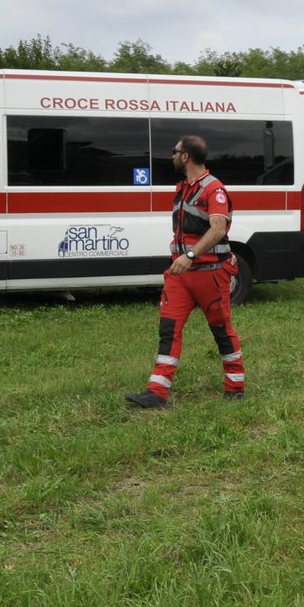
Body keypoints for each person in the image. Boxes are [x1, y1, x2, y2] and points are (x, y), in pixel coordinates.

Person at [127, 135, 245, 410]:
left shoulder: (213, 189)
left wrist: (191, 256)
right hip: (180, 275)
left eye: (174, 151)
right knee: (169, 329)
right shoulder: (184, 187)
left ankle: (235, 387)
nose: (171, 156)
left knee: (221, 330)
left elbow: (218, 229)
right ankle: (156, 393)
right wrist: (183, 260)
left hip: (211, 273)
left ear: (185, 157)